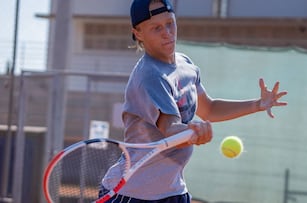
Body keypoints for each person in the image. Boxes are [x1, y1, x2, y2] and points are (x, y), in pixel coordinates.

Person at [99, 0, 287, 202]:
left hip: (173, 192)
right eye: (156, 28)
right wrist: (192, 132)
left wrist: (257, 105)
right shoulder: (150, 76)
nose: (167, 33)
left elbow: (210, 109)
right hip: (131, 194)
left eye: (170, 23)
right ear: (138, 33)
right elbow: (169, 127)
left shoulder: (185, 65)